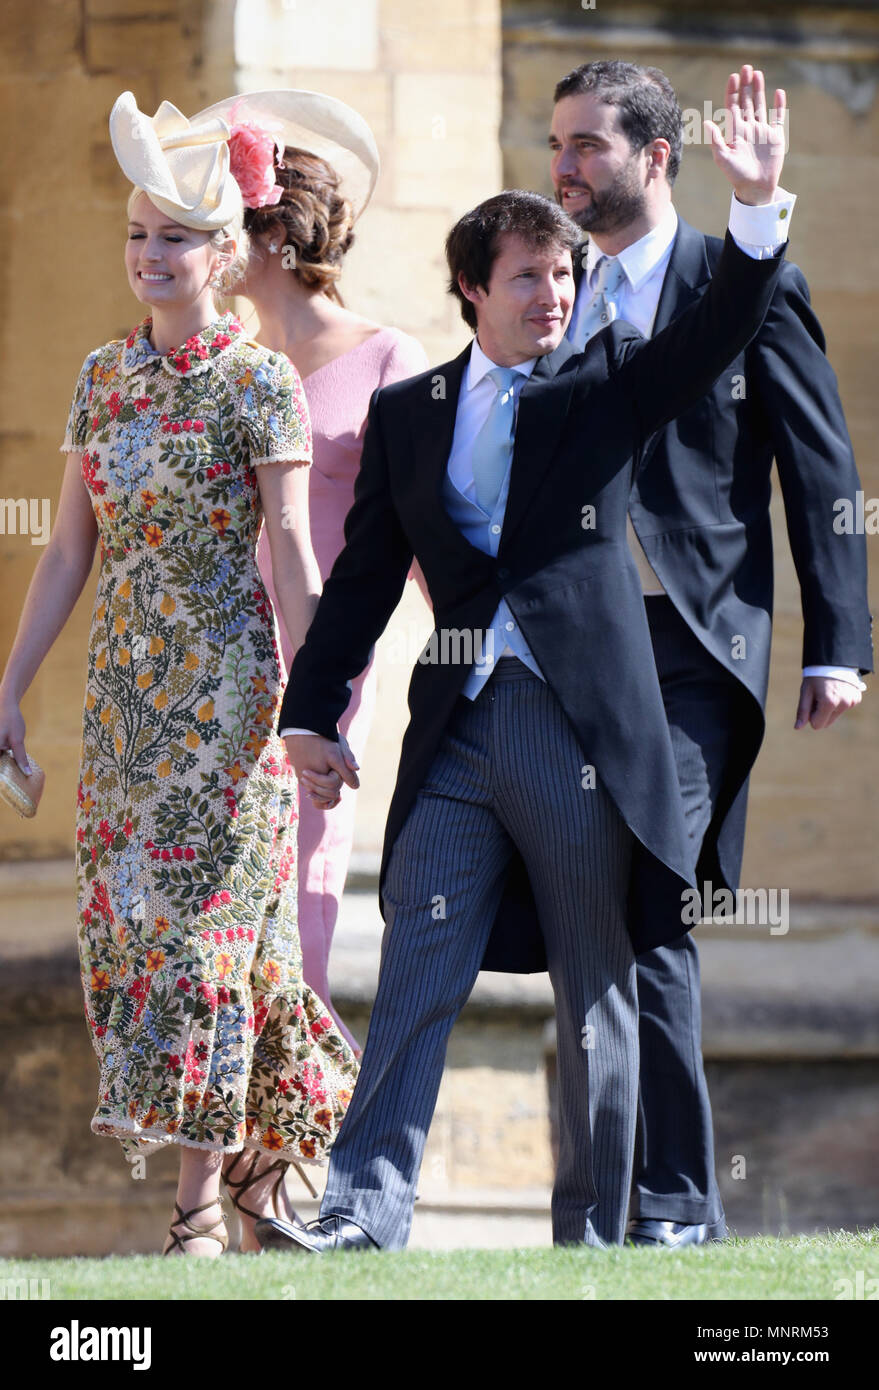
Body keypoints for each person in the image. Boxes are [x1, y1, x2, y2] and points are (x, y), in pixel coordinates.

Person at [254, 68, 793, 1252]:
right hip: (457, 729)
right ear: (470, 291)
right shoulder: (413, 414)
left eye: (565, 275)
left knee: (599, 991)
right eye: (530, 278)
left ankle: (597, 1233)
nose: (556, 295)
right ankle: (362, 1205)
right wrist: (314, 711)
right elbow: (356, 578)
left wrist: (754, 214)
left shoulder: (601, 390)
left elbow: (708, 340)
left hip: (578, 736)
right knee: (416, 967)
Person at [0, 92, 358, 1257]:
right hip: (122, 712)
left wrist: (317, 711)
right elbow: (65, 552)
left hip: (232, 708)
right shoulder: (101, 379)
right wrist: (8, 689)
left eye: (174, 237)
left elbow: (296, 555)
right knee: (139, 940)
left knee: (210, 943)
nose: (149, 256)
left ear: (222, 253)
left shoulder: (260, 385)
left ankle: (195, 1211)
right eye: (136, 234)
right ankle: (262, 1171)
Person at [549, 60, 872, 1247]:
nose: (565, 167)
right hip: (571, 650)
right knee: (591, 914)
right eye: (555, 146)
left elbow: (822, 466)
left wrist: (838, 642)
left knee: (654, 901)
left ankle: (675, 1210)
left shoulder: (741, 283)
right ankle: (604, 1205)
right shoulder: (554, 292)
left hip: (692, 649)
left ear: (656, 155)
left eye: (587, 145)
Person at [190, 91, 429, 1055]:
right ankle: (224, 1158)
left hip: (318, 662)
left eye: (219, 224)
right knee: (211, 900)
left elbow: (422, 533)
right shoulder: (227, 362)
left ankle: (284, 1152)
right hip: (211, 663)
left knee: (299, 882)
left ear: (269, 233)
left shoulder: (384, 355)